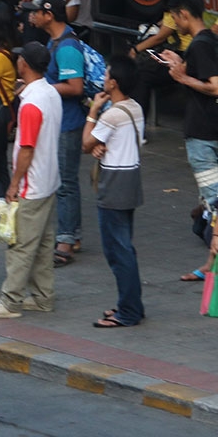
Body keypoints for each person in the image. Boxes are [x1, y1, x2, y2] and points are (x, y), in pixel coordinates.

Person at [0, 42, 61, 319]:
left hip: (32, 185)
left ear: (24, 64)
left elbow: (26, 148)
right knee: (44, 244)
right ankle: (42, 297)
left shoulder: (31, 103)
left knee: (21, 246)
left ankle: (11, 301)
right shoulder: (51, 93)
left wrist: (14, 184)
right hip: (50, 181)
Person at [82, 56, 145, 328]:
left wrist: (93, 112)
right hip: (131, 180)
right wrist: (100, 144)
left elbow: (86, 143)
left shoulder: (111, 114)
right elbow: (103, 143)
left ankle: (128, 311)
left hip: (114, 184)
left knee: (118, 251)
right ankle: (130, 305)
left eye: (106, 75)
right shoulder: (135, 108)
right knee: (124, 247)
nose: (103, 78)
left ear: (114, 83)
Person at [23, 0, 85, 266]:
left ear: (48, 15)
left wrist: (39, 87)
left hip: (69, 124)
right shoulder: (54, 41)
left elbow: (75, 86)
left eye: (36, 11)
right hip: (59, 121)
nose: (31, 15)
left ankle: (66, 239)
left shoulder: (68, 47)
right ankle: (73, 234)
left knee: (66, 182)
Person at [161, 0, 218, 282]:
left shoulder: (201, 44)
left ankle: (211, 264)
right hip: (209, 130)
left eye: (174, 16)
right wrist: (180, 60)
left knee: (215, 200)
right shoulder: (208, 41)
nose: (174, 22)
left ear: (184, 14)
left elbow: (215, 85)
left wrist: (182, 77)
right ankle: (210, 262)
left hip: (203, 134)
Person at [129, 0, 190, 109]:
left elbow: (161, 36)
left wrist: (135, 50)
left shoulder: (176, 4)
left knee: (142, 75)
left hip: (182, 55)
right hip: (177, 52)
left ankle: (137, 124)